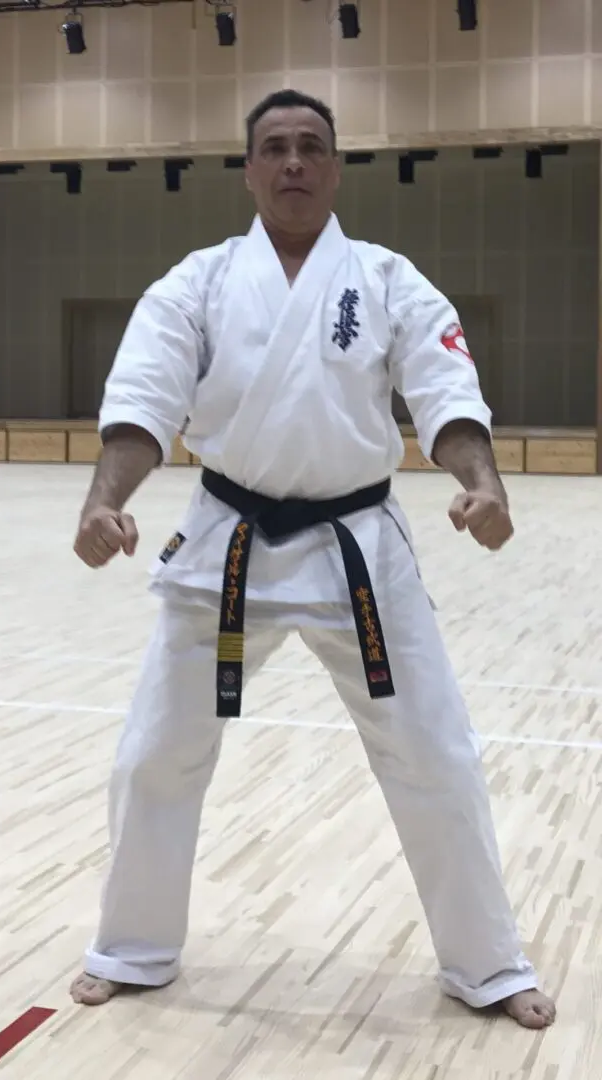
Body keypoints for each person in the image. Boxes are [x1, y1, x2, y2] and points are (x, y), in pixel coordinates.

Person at [70, 90, 555, 1029]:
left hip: (357, 548)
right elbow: (145, 395)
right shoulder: (199, 282)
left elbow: (444, 386)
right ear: (249, 170)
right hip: (229, 541)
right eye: (274, 149)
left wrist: (481, 480)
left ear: (335, 169)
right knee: (154, 756)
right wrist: (104, 501)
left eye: (311, 148)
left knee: (438, 757)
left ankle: (488, 966)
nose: (293, 162)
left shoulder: (385, 279)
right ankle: (133, 948)